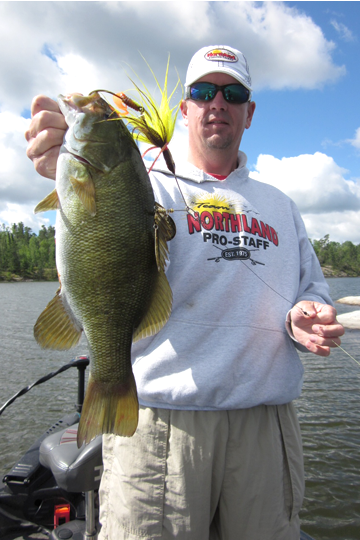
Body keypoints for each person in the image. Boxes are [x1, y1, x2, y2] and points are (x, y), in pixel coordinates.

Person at [25, 45, 344, 540]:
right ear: (185, 108)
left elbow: (311, 290)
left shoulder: (282, 206)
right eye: (202, 91)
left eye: (233, 92)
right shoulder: (149, 187)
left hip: (265, 427)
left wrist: (307, 316)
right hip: (159, 424)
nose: (218, 102)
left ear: (249, 112)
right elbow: (99, 226)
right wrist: (62, 164)